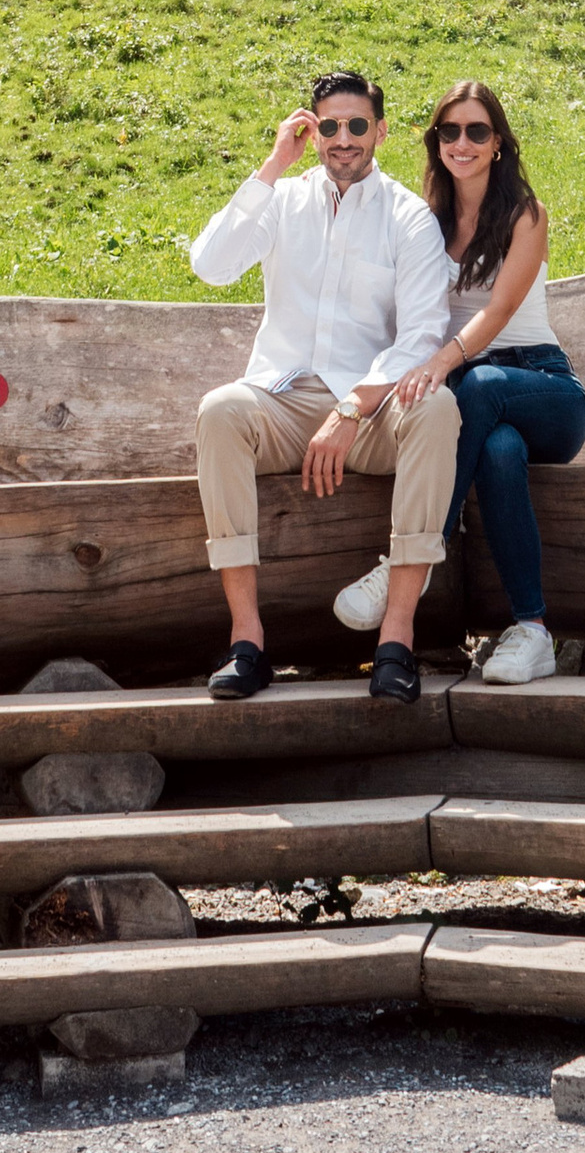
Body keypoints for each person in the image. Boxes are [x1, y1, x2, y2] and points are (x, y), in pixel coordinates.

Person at [187, 68, 458, 705]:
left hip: (365, 412)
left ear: (381, 132)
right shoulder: (281, 200)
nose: (343, 139)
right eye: (328, 126)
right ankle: (247, 643)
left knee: (438, 408)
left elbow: (421, 335)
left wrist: (352, 407)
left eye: (357, 125)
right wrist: (274, 163)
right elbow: (211, 266)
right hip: (280, 400)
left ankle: (396, 642)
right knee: (220, 410)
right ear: (312, 133)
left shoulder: (409, 217)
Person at [333, 77, 585, 686]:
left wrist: (441, 364)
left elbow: (497, 314)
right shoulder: (424, 222)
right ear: (436, 142)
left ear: (497, 141)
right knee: (497, 452)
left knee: (474, 389)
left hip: (542, 387)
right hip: (478, 402)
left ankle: (409, 563)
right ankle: (533, 632)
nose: (463, 143)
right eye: (451, 131)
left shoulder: (525, 213)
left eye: (477, 130)